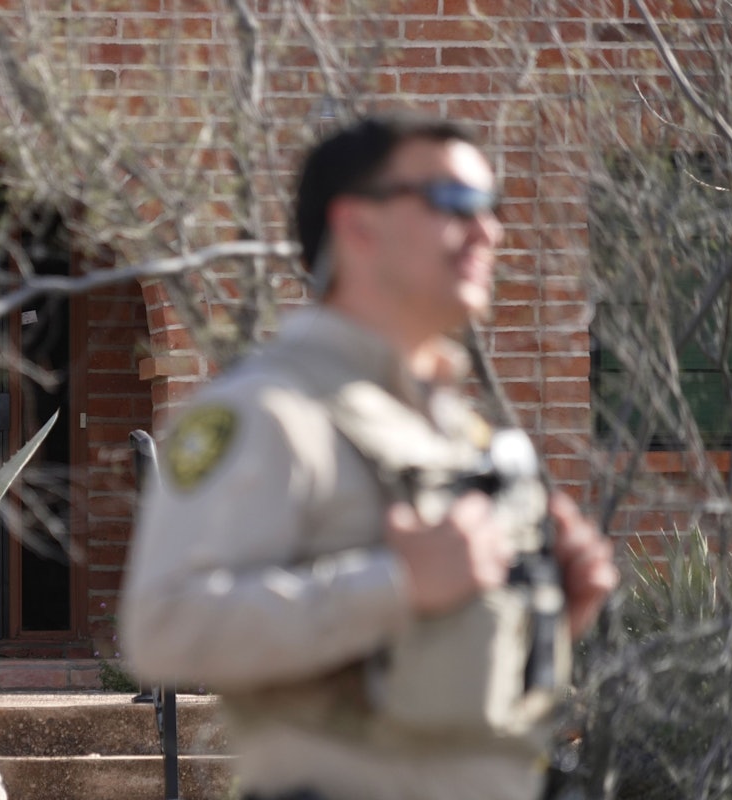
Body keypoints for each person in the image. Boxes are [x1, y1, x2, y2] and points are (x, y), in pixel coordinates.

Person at [120, 112, 618, 800]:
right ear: (357, 225)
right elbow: (164, 628)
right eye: (454, 202)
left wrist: (546, 616)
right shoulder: (265, 413)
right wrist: (395, 585)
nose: (487, 230)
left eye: (492, 207)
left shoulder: (459, 432)